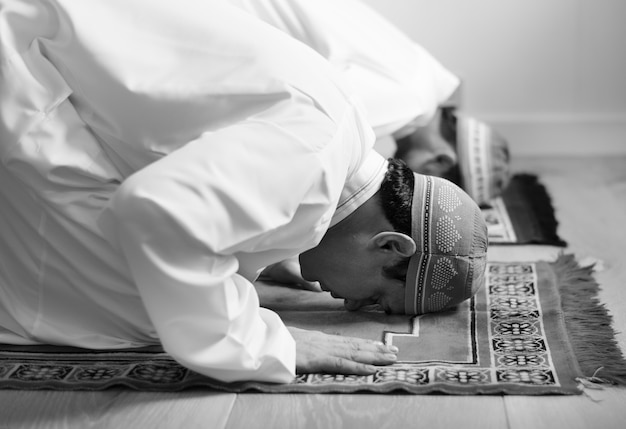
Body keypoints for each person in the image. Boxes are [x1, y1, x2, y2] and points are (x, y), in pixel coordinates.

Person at [0, 0, 487, 384]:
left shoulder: (347, 134)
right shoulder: (315, 159)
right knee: (137, 314)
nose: (353, 307)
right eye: (379, 298)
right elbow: (158, 210)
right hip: (18, 50)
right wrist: (258, 342)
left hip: (41, 53)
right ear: (390, 246)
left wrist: (255, 254)